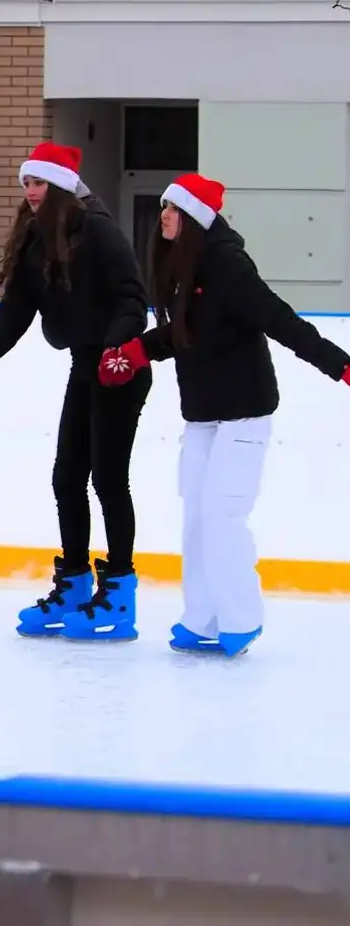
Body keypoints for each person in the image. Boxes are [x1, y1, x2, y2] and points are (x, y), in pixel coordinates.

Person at [98, 173, 350, 657]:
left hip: (243, 413)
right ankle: (203, 616)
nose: (164, 216)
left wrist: (340, 365)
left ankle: (241, 617)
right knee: (195, 515)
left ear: (194, 217)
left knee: (222, 514)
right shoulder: (181, 265)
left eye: (173, 210)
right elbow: (185, 332)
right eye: (164, 208)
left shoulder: (227, 265)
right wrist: (135, 353)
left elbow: (279, 320)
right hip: (203, 415)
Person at [0, 141, 151, 641]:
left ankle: (118, 595)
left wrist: (118, 350)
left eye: (38, 183)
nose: (29, 192)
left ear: (62, 187)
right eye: (26, 183)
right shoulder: (35, 240)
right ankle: (73, 582)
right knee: (66, 476)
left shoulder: (99, 232)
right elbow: (16, 311)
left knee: (108, 480)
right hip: (85, 365)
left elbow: (133, 301)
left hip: (120, 368)